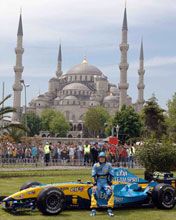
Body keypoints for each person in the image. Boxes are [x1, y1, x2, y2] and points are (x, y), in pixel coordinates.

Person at [90, 152, 114, 217]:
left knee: (110, 191)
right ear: (98, 158)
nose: (101, 159)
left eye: (103, 158)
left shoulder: (108, 165)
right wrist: (94, 184)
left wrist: (109, 183)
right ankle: (93, 208)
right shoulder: (95, 165)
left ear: (105, 158)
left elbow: (112, 174)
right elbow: (93, 175)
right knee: (94, 191)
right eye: (100, 158)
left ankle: (109, 209)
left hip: (105, 182)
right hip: (98, 182)